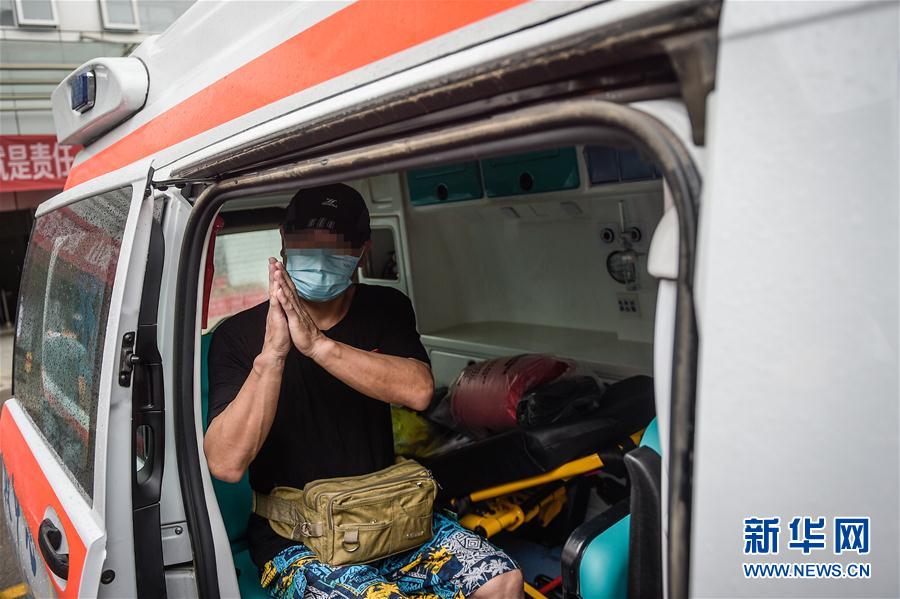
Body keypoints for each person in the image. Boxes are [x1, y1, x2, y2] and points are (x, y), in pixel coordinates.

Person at [204, 183, 523, 599]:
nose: (320, 255)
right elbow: (226, 464)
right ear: (284, 240)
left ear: (362, 251)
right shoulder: (237, 336)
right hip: (297, 537)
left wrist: (319, 347)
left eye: (335, 245)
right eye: (307, 241)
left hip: (391, 514)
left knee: (502, 582)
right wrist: (274, 356)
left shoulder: (386, 307)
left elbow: (419, 390)